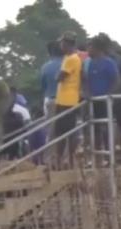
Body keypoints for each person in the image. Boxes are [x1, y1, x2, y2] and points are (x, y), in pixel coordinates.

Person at [85, 35, 121, 151]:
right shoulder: (88, 63)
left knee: (106, 127)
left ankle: (109, 152)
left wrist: (108, 95)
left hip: (105, 101)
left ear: (97, 48)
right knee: (93, 128)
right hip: (92, 101)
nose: (88, 50)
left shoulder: (108, 63)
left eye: (90, 47)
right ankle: (97, 155)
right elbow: (85, 80)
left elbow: (116, 81)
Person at [54, 32, 82, 169]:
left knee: (68, 133)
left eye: (62, 43)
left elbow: (59, 77)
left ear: (68, 44)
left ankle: (69, 160)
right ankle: (60, 161)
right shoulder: (67, 57)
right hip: (62, 99)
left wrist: (57, 75)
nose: (60, 45)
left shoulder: (72, 58)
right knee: (59, 132)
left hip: (69, 100)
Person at [39, 41, 64, 118]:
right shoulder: (68, 64)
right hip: (66, 100)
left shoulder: (45, 67)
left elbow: (43, 87)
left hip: (50, 100)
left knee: (50, 126)